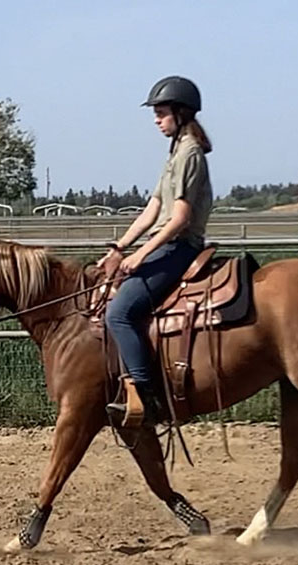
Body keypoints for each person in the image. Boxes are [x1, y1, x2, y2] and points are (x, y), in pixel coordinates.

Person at [96, 75, 213, 426]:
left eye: (161, 112)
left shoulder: (189, 153)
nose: (156, 119)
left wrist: (140, 255)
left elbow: (178, 219)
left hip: (180, 246)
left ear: (180, 112)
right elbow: (152, 209)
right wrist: (119, 248)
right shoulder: (176, 151)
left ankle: (146, 396)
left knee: (117, 313)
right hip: (167, 243)